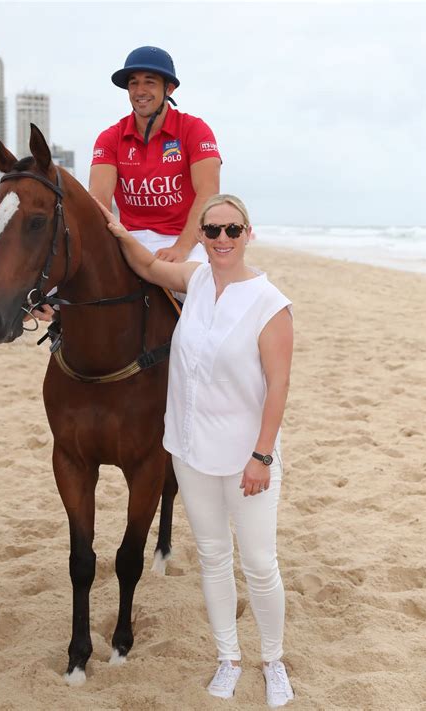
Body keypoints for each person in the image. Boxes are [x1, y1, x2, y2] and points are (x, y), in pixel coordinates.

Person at [96, 193, 294, 708]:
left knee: (258, 563)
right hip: (188, 449)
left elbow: (278, 387)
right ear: (202, 237)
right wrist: (117, 231)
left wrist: (263, 455)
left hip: (247, 456)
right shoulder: (197, 279)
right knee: (212, 558)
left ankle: (272, 660)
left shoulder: (269, 302)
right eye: (212, 231)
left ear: (249, 233)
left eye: (232, 230)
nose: (222, 240)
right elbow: (145, 263)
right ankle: (228, 658)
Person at [89, 45, 221, 263]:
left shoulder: (195, 129)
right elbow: (98, 201)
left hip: (184, 238)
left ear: (169, 89)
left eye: (149, 82)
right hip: (128, 238)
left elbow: (208, 193)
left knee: (200, 282)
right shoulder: (110, 137)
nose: (140, 91)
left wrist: (181, 248)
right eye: (134, 83)